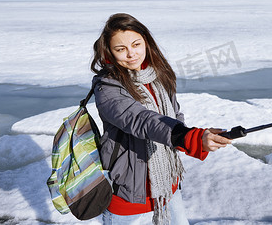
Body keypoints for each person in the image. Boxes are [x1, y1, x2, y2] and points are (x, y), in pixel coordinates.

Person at [91, 13, 231, 225]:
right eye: (121, 49)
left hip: (167, 183)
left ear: (146, 41)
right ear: (109, 52)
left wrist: (192, 136)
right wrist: (184, 136)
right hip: (127, 190)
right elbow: (141, 120)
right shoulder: (108, 87)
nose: (131, 54)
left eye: (136, 44)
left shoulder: (159, 75)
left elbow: (174, 115)